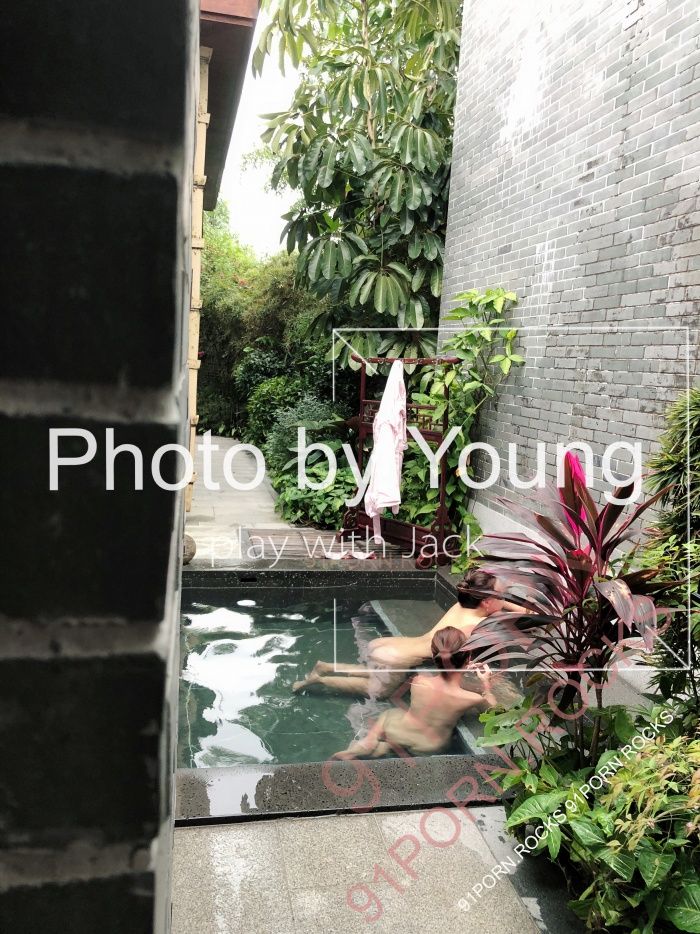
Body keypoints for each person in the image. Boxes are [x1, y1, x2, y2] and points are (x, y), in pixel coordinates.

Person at [292, 567, 509, 699]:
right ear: (487, 602)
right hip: (397, 657)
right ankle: (321, 680)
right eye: (503, 595)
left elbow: (501, 605)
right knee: (379, 692)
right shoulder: (477, 624)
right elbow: (515, 615)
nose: (506, 598)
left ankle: (327, 666)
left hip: (392, 645)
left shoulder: (462, 604)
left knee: (375, 673)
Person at [332, 627, 497, 759]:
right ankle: (383, 748)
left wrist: (460, 666)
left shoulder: (419, 681)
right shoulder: (471, 698)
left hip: (397, 730)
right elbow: (494, 712)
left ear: (434, 656)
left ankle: (367, 743)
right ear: (468, 658)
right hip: (428, 745)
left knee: (390, 713)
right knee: (391, 744)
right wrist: (486, 683)